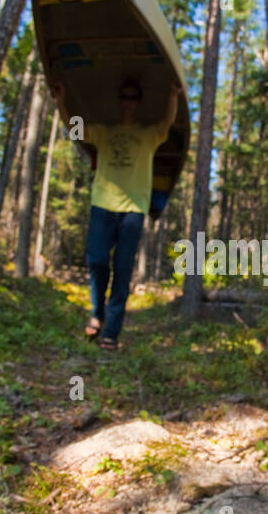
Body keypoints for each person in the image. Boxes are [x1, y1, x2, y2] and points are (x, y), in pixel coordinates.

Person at [51, 76, 181, 350]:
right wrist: (61, 100)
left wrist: (172, 95)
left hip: (134, 208)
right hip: (103, 204)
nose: (129, 102)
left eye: (134, 97)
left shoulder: (149, 135)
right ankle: (96, 313)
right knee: (97, 261)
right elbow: (74, 130)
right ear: (119, 100)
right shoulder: (104, 132)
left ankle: (112, 331)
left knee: (122, 270)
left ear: (139, 102)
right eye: (125, 96)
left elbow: (167, 122)